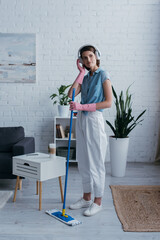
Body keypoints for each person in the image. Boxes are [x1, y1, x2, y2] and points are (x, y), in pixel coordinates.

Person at [68, 44, 112, 217]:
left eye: (90, 56)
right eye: (84, 58)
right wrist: (80, 72)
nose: (88, 60)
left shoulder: (103, 75)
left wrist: (82, 105)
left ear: (96, 56)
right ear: (81, 61)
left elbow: (108, 102)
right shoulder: (85, 78)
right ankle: (86, 197)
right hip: (82, 120)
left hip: (94, 120)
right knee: (83, 161)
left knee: (96, 162)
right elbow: (70, 94)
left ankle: (98, 201)